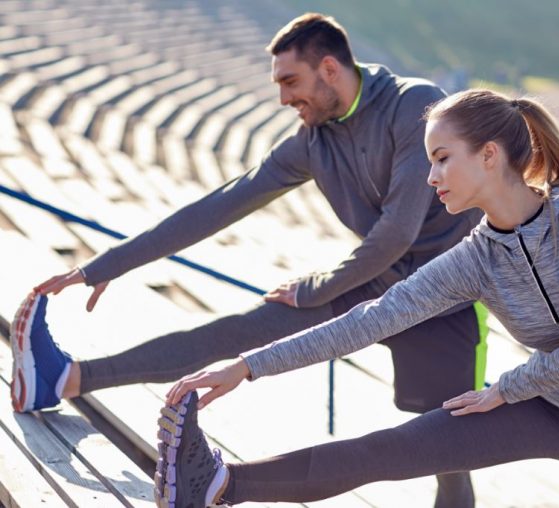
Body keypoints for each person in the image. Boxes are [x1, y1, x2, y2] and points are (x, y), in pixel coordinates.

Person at [13, 13, 485, 507]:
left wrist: (316, 288)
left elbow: (397, 232)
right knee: (233, 333)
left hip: (444, 296)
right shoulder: (314, 140)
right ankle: (63, 378)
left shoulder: (415, 105)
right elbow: (220, 204)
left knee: (447, 452)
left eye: (290, 81)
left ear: (329, 68)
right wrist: (105, 265)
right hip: (371, 279)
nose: (283, 98)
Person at [155, 89, 559, 508]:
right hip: (544, 402)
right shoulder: (476, 259)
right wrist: (245, 367)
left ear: (489, 155)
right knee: (390, 451)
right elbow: (370, 321)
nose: (431, 177)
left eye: (443, 159)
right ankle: (219, 485)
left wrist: (506, 389)